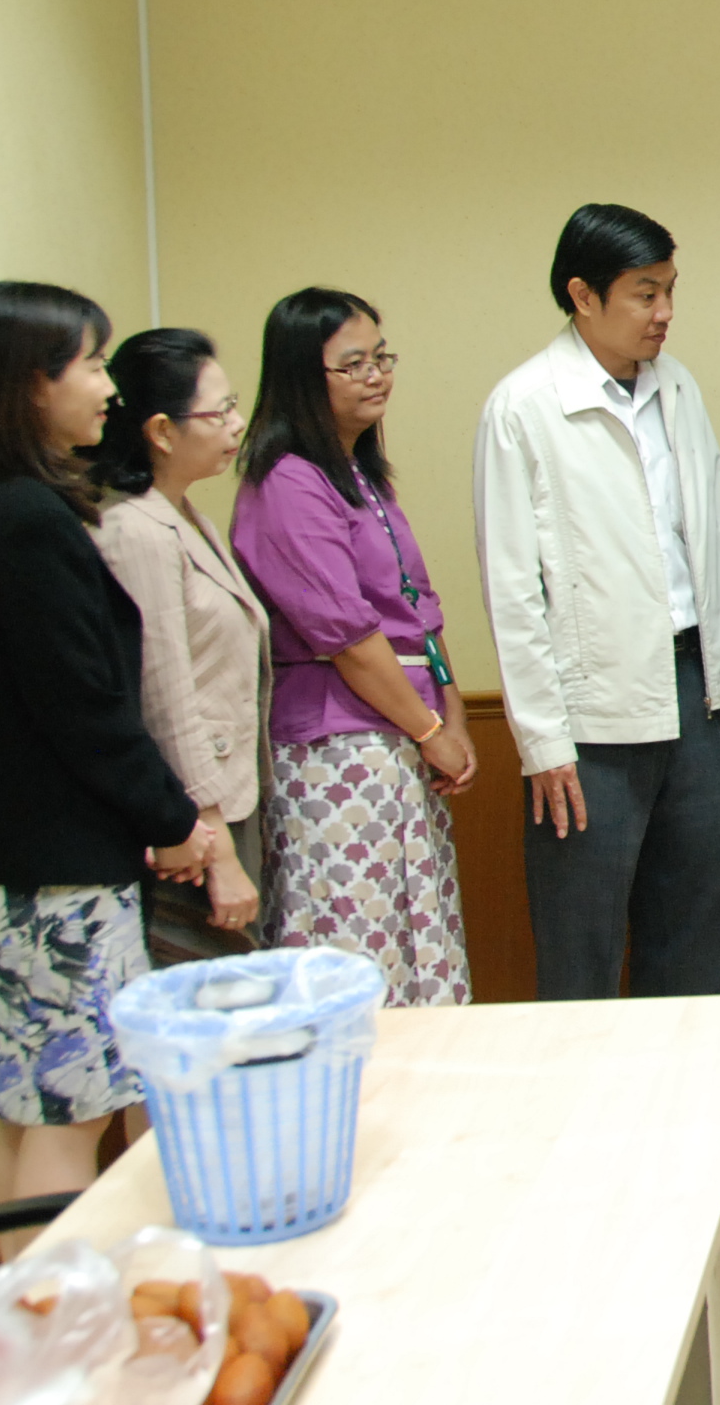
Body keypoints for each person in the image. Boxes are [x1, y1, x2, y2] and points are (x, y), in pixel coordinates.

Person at [0, 283, 214, 1204]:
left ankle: (22, 1291)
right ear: (31, 383)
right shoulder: (28, 519)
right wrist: (174, 819)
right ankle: (55, 1295)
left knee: (25, 1104)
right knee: (75, 1110)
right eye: (91, 365)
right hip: (59, 869)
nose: (108, 388)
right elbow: (85, 709)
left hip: (14, 859)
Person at [475, 204, 720, 1004]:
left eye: (669, 291)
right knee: (582, 941)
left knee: (698, 930)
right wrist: (541, 740)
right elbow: (512, 590)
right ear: (582, 295)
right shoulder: (524, 405)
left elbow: (714, 537)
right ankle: (586, 1094)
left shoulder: (678, 387)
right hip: (588, 716)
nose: (664, 312)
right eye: (644, 293)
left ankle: (695, 1092)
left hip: (695, 687)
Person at [233, 289, 478, 1004]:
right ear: (302, 378)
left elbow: (417, 607)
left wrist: (453, 713)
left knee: (414, 940)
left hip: (399, 733)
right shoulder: (287, 481)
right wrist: (430, 729)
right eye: (354, 365)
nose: (376, 376)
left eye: (381, 358)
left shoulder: (362, 475)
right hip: (337, 749)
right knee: (359, 953)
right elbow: (346, 635)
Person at [90, 328, 275, 963]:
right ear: (162, 432)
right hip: (192, 819)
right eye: (218, 413)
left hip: (224, 798)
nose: (236, 424)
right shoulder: (135, 529)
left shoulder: (180, 513)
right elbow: (164, 696)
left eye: (233, 406)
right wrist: (215, 844)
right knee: (203, 984)